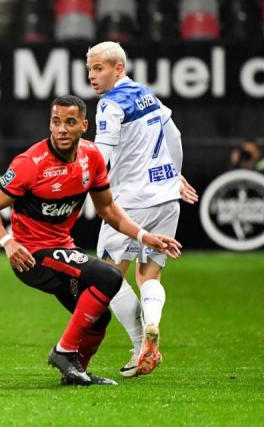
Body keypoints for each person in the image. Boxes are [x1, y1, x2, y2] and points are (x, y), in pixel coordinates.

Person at [0, 95, 182, 386]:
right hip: (32, 255)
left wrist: (143, 235)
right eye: (55, 121)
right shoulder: (30, 163)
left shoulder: (92, 157)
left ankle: (76, 372)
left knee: (99, 319)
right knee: (109, 277)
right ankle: (63, 352)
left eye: (70, 122)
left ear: (84, 126)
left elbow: (108, 209)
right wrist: (7, 242)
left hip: (63, 250)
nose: (61, 129)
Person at [86, 41, 198, 378]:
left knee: (107, 277)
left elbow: (100, 155)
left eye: (99, 68)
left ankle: (139, 347)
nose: (92, 75)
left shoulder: (109, 105)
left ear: (118, 68)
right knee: (149, 274)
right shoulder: (146, 93)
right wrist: (174, 174)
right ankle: (152, 323)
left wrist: (82, 187)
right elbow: (173, 135)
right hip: (166, 197)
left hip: (130, 202)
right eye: (89, 68)